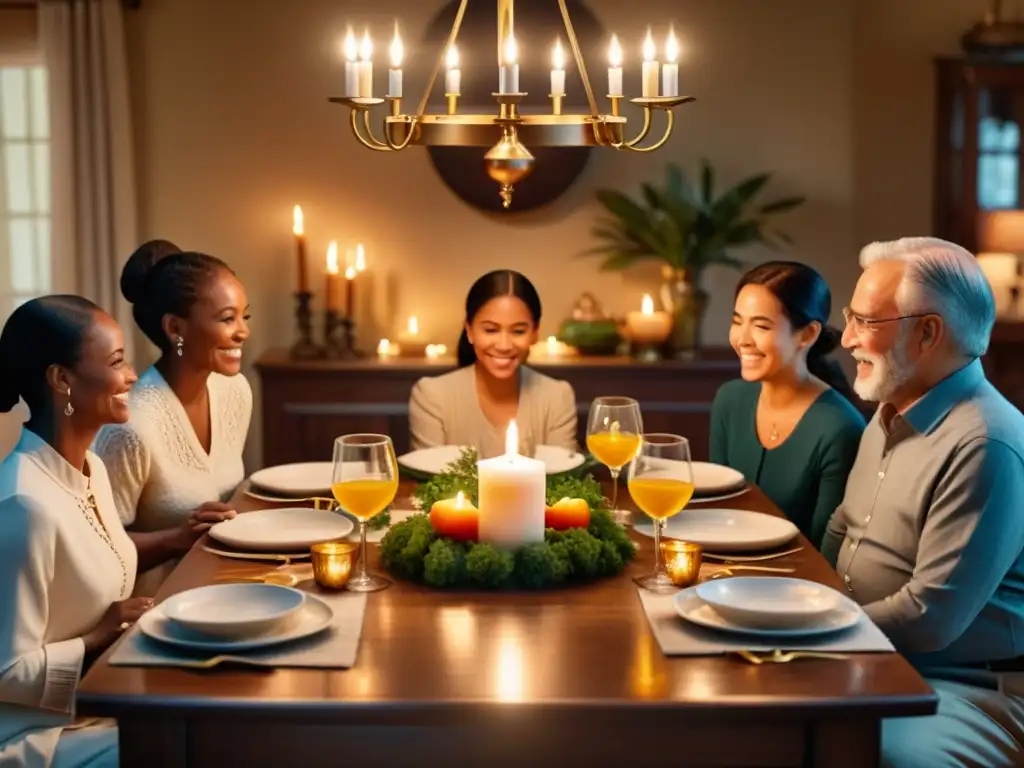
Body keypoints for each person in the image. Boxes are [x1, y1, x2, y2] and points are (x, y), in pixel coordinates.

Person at [820, 237, 1024, 767]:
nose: (850, 340)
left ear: (928, 333)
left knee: (866, 753)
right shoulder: (890, 410)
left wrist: (814, 631)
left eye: (867, 321)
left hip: (966, 686)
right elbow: (843, 528)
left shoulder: (985, 443)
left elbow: (928, 618)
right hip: (872, 652)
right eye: (851, 317)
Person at [93, 240, 251, 595]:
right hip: (150, 614)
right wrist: (175, 540)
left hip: (224, 586)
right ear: (175, 329)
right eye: (228, 318)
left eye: (245, 316)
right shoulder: (129, 427)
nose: (243, 331)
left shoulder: (236, 391)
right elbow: (95, 553)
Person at [710, 262, 865, 547]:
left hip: (800, 584)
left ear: (807, 334)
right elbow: (717, 512)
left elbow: (826, 549)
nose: (742, 339)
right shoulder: (729, 400)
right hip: (723, 575)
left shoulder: (840, 428)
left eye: (761, 325)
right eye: (736, 321)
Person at [409, 269, 577, 458]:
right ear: (469, 331)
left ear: (535, 333)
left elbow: (564, 478)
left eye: (518, 331)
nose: (504, 345)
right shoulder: (432, 396)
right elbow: (431, 481)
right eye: (490, 330)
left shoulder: (557, 397)